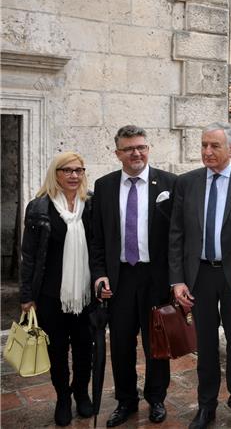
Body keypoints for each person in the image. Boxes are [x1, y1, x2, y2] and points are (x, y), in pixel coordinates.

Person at [168, 122, 231, 429]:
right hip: (199, 277)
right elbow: (176, 234)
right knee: (204, 348)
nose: (207, 151)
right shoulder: (187, 182)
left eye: (214, 146)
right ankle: (206, 407)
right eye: (204, 145)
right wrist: (177, 280)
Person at [89, 125, 176, 426]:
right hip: (121, 278)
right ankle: (126, 400)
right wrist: (100, 275)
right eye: (129, 149)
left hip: (156, 278)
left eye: (141, 147)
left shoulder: (169, 183)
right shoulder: (104, 186)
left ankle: (156, 399)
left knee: (157, 344)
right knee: (122, 343)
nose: (136, 153)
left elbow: (177, 238)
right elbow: (98, 239)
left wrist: (176, 280)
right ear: (118, 153)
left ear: (148, 148)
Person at [19, 151, 94, 427]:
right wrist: (27, 296)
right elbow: (29, 255)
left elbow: (99, 248)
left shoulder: (92, 204)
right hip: (50, 296)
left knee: (86, 347)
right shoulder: (39, 207)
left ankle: (82, 393)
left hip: (85, 294)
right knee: (58, 350)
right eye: (67, 170)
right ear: (56, 173)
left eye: (79, 170)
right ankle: (63, 397)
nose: (74, 176)